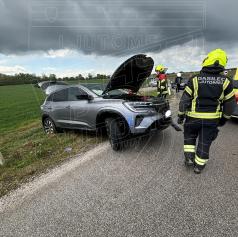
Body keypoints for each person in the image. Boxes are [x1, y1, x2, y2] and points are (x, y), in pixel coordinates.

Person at [177, 49, 236, 174]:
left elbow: (184, 101)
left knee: (189, 138)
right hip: (211, 120)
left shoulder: (194, 79)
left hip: (192, 118)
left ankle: (189, 159)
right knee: (205, 142)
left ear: (207, 60)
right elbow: (230, 104)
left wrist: (181, 115)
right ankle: (199, 166)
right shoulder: (227, 81)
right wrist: (224, 118)